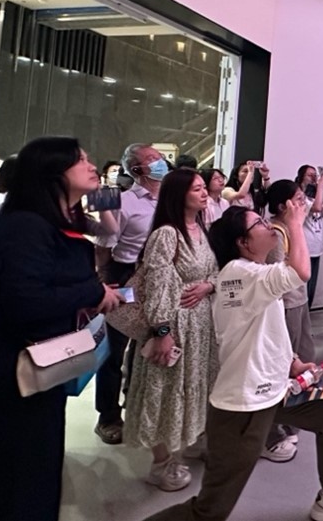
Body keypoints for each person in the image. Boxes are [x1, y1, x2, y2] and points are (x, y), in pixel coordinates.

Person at [143, 206, 323, 521]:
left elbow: (266, 330)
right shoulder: (240, 273)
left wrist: (292, 363)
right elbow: (300, 273)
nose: (269, 226)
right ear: (243, 242)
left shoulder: (253, 272)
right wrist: (295, 222)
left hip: (276, 390)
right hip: (244, 404)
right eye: (259, 224)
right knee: (211, 510)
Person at [0, 136, 123, 521]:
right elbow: (25, 302)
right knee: (17, 494)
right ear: (51, 173)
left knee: (38, 483)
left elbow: (107, 236)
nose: (92, 165)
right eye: (80, 160)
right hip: (4, 380)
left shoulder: (59, 222)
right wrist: (93, 291)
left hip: (38, 376)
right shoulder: (24, 226)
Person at [124, 169, 219, 491]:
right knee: (164, 390)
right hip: (175, 325)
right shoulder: (167, 234)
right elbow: (157, 286)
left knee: (193, 385)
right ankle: (161, 462)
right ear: (179, 195)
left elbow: (214, 271)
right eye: (197, 189)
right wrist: (162, 330)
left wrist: (208, 285)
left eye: (204, 187)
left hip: (200, 327)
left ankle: (190, 440)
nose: (204, 193)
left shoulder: (200, 228)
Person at [93, 142, 167, 444]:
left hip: (157, 276)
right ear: (136, 169)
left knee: (147, 345)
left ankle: (135, 403)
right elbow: (103, 248)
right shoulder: (121, 201)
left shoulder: (170, 199)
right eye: (152, 159)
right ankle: (108, 416)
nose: (161, 161)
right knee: (114, 349)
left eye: (159, 157)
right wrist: (104, 280)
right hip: (124, 274)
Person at [261, 179, 316, 462]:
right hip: (286, 306)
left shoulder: (293, 227)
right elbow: (279, 277)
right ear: (284, 205)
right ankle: (275, 427)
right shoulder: (276, 233)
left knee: (304, 357)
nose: (304, 203)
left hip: (299, 301)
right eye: (298, 199)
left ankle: (294, 418)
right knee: (284, 365)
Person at [296, 164, 323, 310]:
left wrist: (321, 192)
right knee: (302, 287)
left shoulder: (315, 196)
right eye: (310, 175)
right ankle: (301, 315)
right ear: (301, 177)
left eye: (315, 175)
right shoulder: (300, 196)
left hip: (316, 248)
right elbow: (316, 208)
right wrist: (321, 186)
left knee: (311, 287)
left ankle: (308, 314)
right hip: (304, 247)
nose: (313, 178)